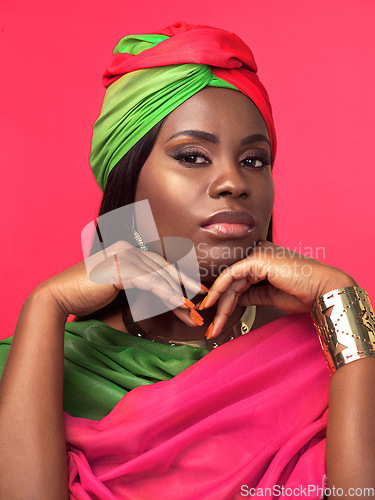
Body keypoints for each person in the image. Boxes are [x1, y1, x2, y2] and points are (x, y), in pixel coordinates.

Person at [0, 21, 374, 500]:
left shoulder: (335, 355)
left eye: (255, 160)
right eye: (194, 156)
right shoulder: (38, 366)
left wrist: (341, 300)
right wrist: (45, 304)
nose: (233, 182)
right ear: (128, 179)